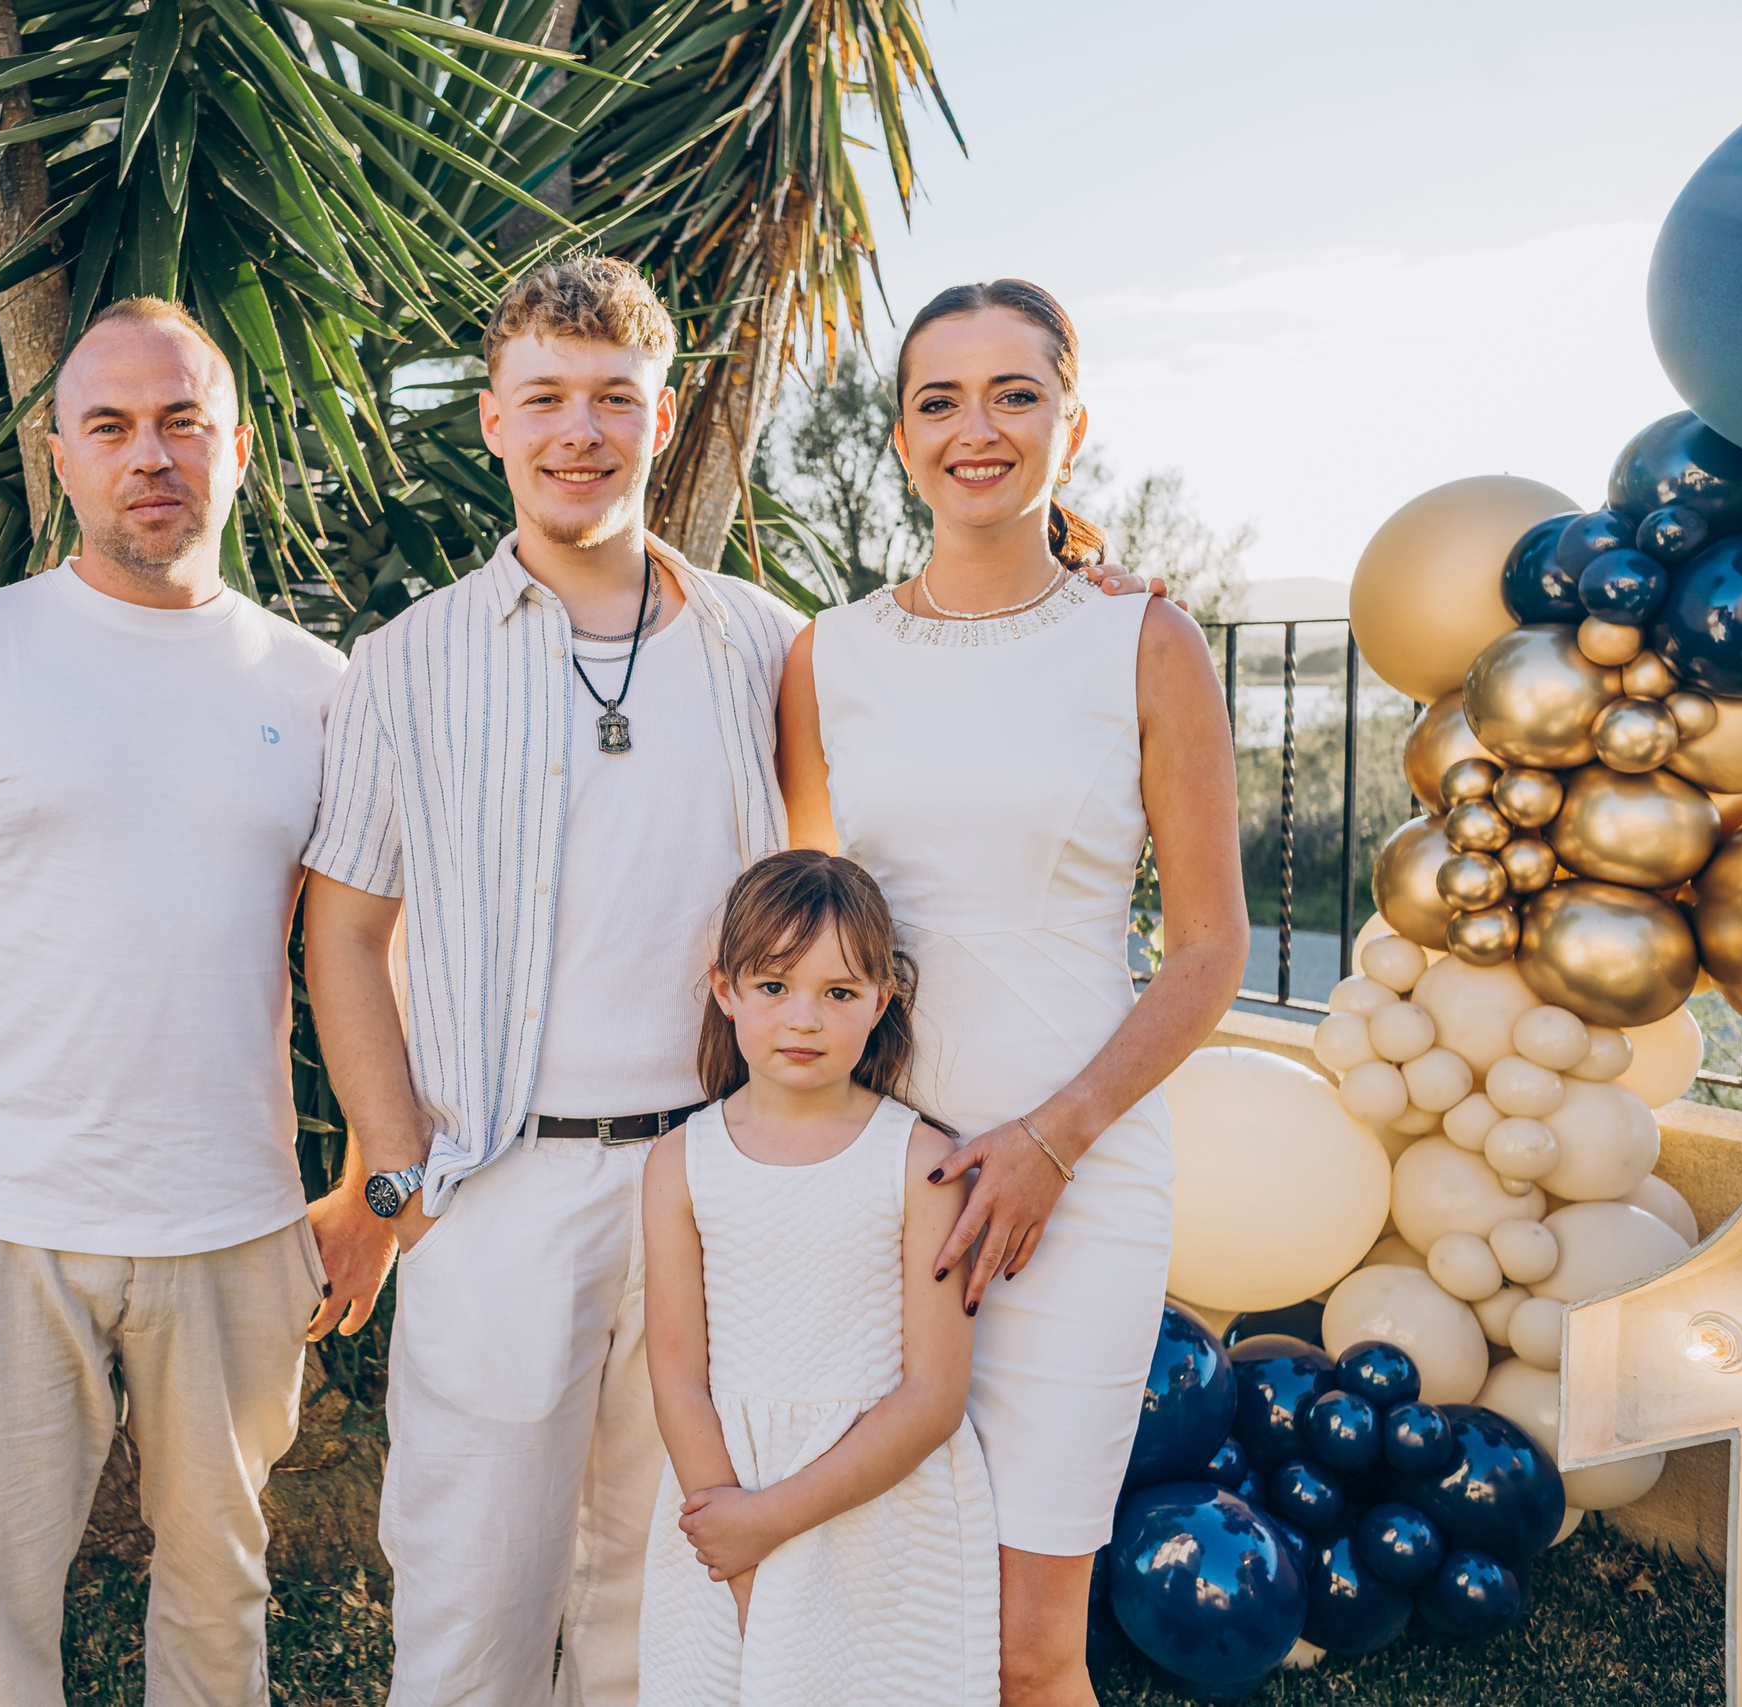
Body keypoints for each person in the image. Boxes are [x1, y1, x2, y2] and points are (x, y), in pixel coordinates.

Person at [305, 254, 1165, 1707]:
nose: (579, 430)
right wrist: (397, 1171)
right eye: (545, 399)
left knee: (681, 1619)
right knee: (469, 1606)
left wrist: (1100, 589)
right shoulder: (403, 662)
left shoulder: (768, 643)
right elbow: (344, 930)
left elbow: (915, 753)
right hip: (502, 1181)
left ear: (665, 415)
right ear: (494, 424)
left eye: (613, 400)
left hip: (728, 1188)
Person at [0, 297, 348, 1706]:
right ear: (59, 454)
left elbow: (356, 958)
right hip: (2, 1222)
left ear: (240, 450)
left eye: (180, 422)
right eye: (109, 425)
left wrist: (377, 1198)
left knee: (221, 1605)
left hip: (234, 1222)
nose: (147, 454)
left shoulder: (324, 686)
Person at [778, 278, 1244, 1707]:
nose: (976, 428)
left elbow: (1213, 947)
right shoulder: (825, 655)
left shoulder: (1144, 640)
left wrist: (1054, 1135)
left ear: (1072, 421)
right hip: (880, 1180)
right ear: (900, 434)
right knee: (870, 1608)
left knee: (1029, 1649)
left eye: (1015, 394)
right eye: (940, 399)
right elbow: (808, 926)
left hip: (1082, 1177)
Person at [639, 850, 996, 1707]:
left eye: (839, 992)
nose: (804, 1018)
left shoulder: (919, 1164)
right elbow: (678, 1373)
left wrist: (771, 1522)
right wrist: (731, 1525)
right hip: (719, 1493)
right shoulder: (681, 1163)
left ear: (883, 998)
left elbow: (933, 1395)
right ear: (725, 990)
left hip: (878, 1511)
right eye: (773, 986)